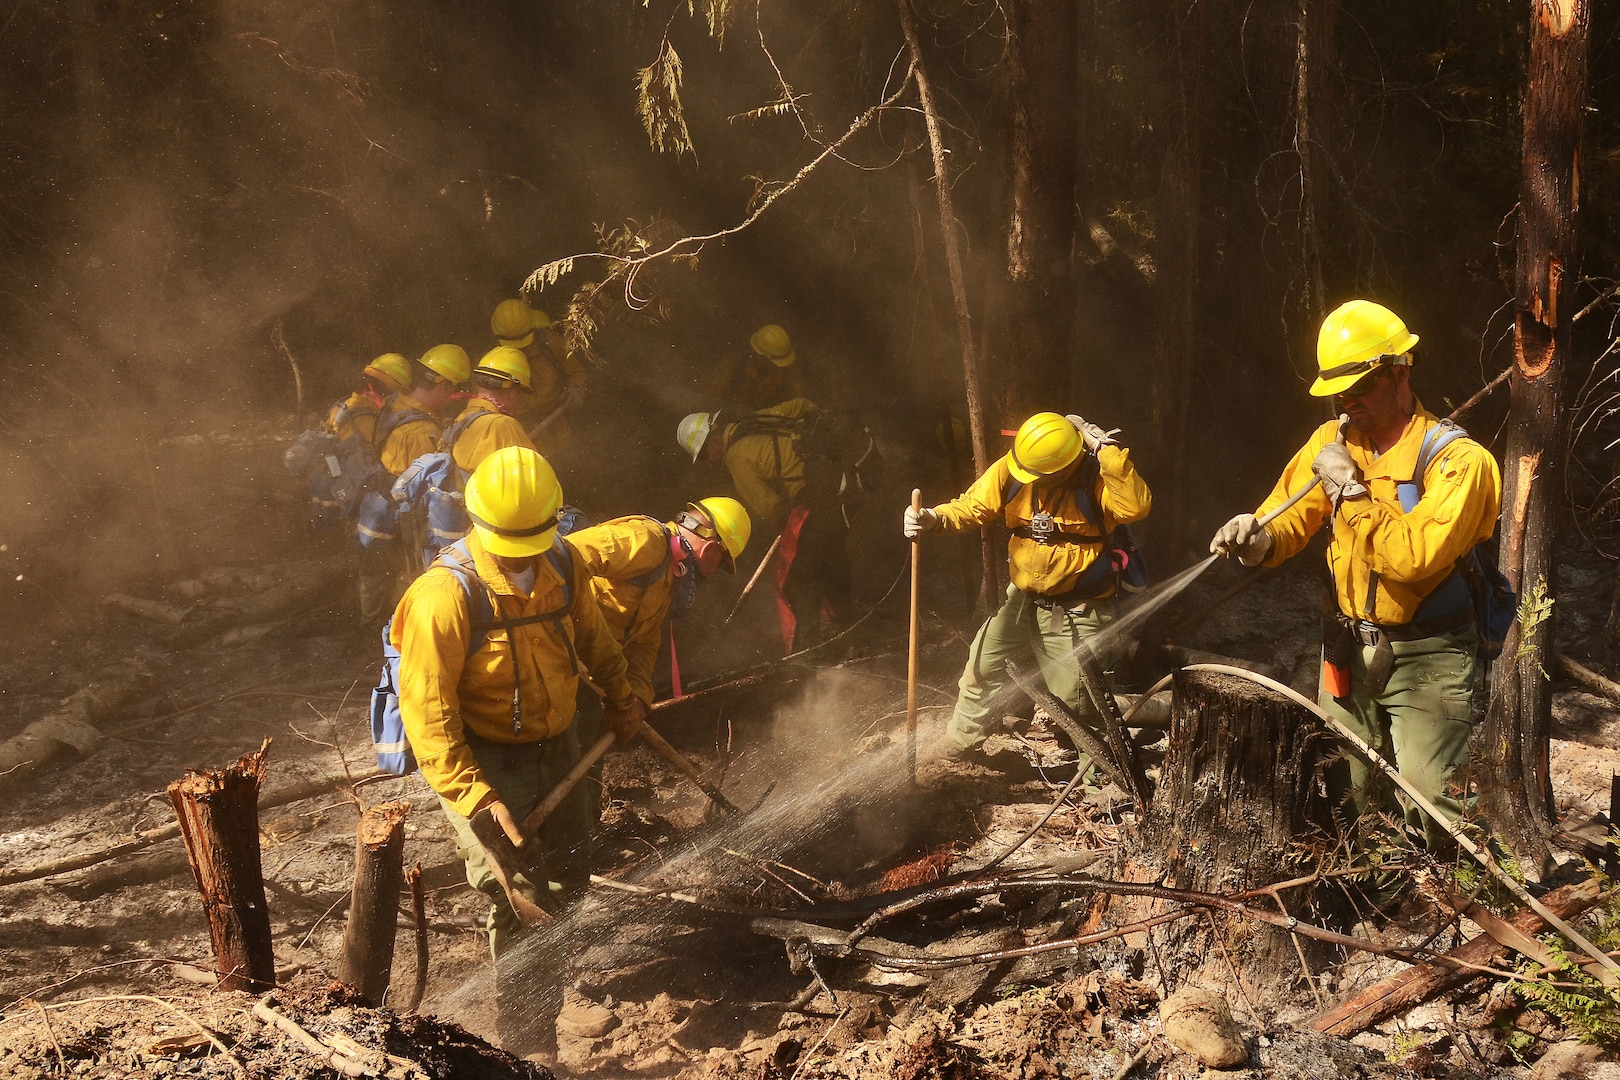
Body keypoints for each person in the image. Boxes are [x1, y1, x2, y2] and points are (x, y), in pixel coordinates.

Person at [1210, 300, 1502, 852]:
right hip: (1345, 646)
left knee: (1434, 800)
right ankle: (1375, 898)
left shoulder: (1458, 462)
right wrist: (1256, 538)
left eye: (1360, 387)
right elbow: (1289, 516)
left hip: (1428, 652)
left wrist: (1353, 492)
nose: (1348, 403)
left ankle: (1479, 917)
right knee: (1346, 790)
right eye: (1339, 392)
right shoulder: (1332, 446)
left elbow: (1416, 556)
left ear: (1400, 374)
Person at [391, 445, 645, 1052]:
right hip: (487, 763)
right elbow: (428, 715)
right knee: (517, 895)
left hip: (563, 746)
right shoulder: (445, 597)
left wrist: (621, 695)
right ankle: (525, 1044)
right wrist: (475, 797)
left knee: (570, 878)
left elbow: (594, 635)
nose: (522, 558)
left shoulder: (563, 561)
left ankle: (552, 998)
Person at [905, 411, 1152, 783]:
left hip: (1078, 606)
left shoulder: (1096, 478)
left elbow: (1136, 507)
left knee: (1078, 698)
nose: (1029, 478)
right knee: (980, 667)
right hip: (1022, 599)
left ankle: (1099, 775)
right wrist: (933, 518)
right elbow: (974, 506)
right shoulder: (1018, 466)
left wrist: (1108, 454)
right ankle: (959, 747)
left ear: (1063, 465)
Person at [564, 497, 751, 817]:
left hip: (585, 670)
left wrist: (636, 695)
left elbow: (644, 643)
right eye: (721, 564)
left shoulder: (667, 577)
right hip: (557, 656)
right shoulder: (645, 541)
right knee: (562, 750)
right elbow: (562, 558)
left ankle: (584, 838)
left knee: (586, 747)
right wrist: (554, 626)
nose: (714, 572)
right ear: (712, 549)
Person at [677, 399, 852, 652]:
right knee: (833, 556)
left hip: (814, 504)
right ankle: (844, 620)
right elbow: (802, 405)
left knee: (792, 577)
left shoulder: (736, 459)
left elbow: (770, 508)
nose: (709, 460)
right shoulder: (758, 421)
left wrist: (788, 521)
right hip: (840, 489)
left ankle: (807, 649)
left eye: (704, 454)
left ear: (712, 439)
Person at [362, 344, 470, 623]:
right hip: (405, 521)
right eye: (453, 389)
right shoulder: (422, 431)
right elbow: (431, 492)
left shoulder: (394, 403)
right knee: (409, 577)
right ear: (444, 385)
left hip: (379, 505)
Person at [491, 299, 587, 458]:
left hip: (557, 431)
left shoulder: (551, 344)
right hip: (520, 438)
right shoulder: (491, 361)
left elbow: (575, 371)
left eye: (523, 338)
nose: (520, 346)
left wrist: (576, 388)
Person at [443, 346, 538, 477]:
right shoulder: (505, 425)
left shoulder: (461, 419)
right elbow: (534, 480)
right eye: (521, 394)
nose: (520, 401)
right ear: (514, 393)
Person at [705, 323, 806, 410]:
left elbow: (798, 405)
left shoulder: (788, 373)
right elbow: (711, 400)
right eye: (775, 362)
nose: (779, 367)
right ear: (760, 355)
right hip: (734, 426)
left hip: (773, 427)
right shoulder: (734, 365)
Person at [323, 352, 412, 444]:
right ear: (374, 387)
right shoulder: (368, 423)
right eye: (391, 393)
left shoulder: (340, 407)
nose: (394, 400)